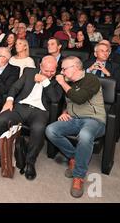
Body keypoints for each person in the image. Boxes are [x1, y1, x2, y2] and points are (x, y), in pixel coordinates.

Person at [0, 56, 63, 180]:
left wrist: (45, 81)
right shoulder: (29, 72)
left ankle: (30, 162)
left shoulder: (58, 79)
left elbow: (55, 99)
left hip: (40, 111)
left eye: (53, 70)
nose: (50, 73)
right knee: (0, 120)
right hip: (21, 107)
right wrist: (9, 101)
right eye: (47, 71)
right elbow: (15, 87)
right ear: (40, 66)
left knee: (38, 128)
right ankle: (5, 153)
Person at [46, 56, 106, 198]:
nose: (62, 71)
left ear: (76, 68)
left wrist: (62, 83)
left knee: (85, 135)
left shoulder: (91, 79)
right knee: (51, 130)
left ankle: (78, 176)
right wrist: (64, 112)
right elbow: (69, 101)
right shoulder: (69, 82)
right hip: (74, 119)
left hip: (94, 120)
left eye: (64, 68)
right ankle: (74, 157)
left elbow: (79, 98)